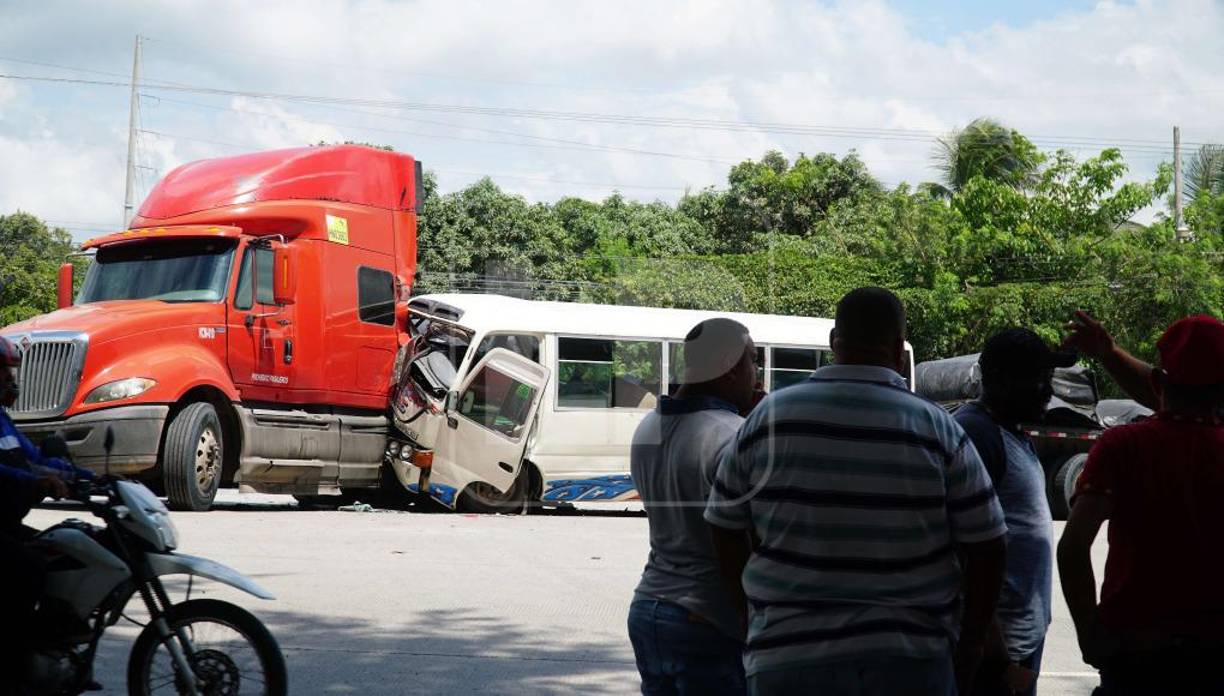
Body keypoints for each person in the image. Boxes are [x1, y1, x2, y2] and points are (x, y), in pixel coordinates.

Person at [705, 287, 1007, 696]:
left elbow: (723, 524)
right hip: (910, 662)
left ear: (834, 342)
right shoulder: (939, 428)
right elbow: (988, 544)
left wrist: (749, 615)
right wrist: (971, 645)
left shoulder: (768, 419)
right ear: (900, 351)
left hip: (787, 660)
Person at [1058, 315, 1224, 695]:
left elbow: (1072, 547)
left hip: (1135, 657)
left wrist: (1089, 634)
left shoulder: (1123, 447)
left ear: (1160, 382)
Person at [627, 318, 759, 696]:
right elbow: (740, 537)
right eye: (752, 360)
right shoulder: (732, 434)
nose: (757, 374)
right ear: (728, 365)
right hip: (707, 617)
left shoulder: (647, 428)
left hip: (649, 606)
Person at [956, 329, 1078, 696]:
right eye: (1038, 379)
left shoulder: (1009, 430)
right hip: (997, 655)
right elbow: (967, 552)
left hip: (1018, 645)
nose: (1048, 390)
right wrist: (995, 653)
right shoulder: (978, 434)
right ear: (1003, 379)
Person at [0, 335, 94, 692]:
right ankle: (15, 667)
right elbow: (11, 472)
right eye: (3, 372)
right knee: (27, 570)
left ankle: (50, 648)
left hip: (7, 522)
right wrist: (37, 483)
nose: (11, 380)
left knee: (62, 552)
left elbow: (34, 458)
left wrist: (89, 477)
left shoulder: (3, 422)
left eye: (10, 371)